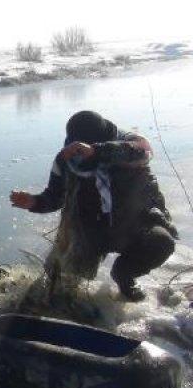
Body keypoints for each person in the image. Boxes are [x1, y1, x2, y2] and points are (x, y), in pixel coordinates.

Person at [10, 110, 177, 301]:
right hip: (90, 228)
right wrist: (34, 202)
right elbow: (55, 197)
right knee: (61, 284)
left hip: (135, 222)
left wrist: (97, 151)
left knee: (161, 242)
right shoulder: (66, 158)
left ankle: (125, 275)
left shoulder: (130, 143)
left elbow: (142, 151)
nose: (80, 152)